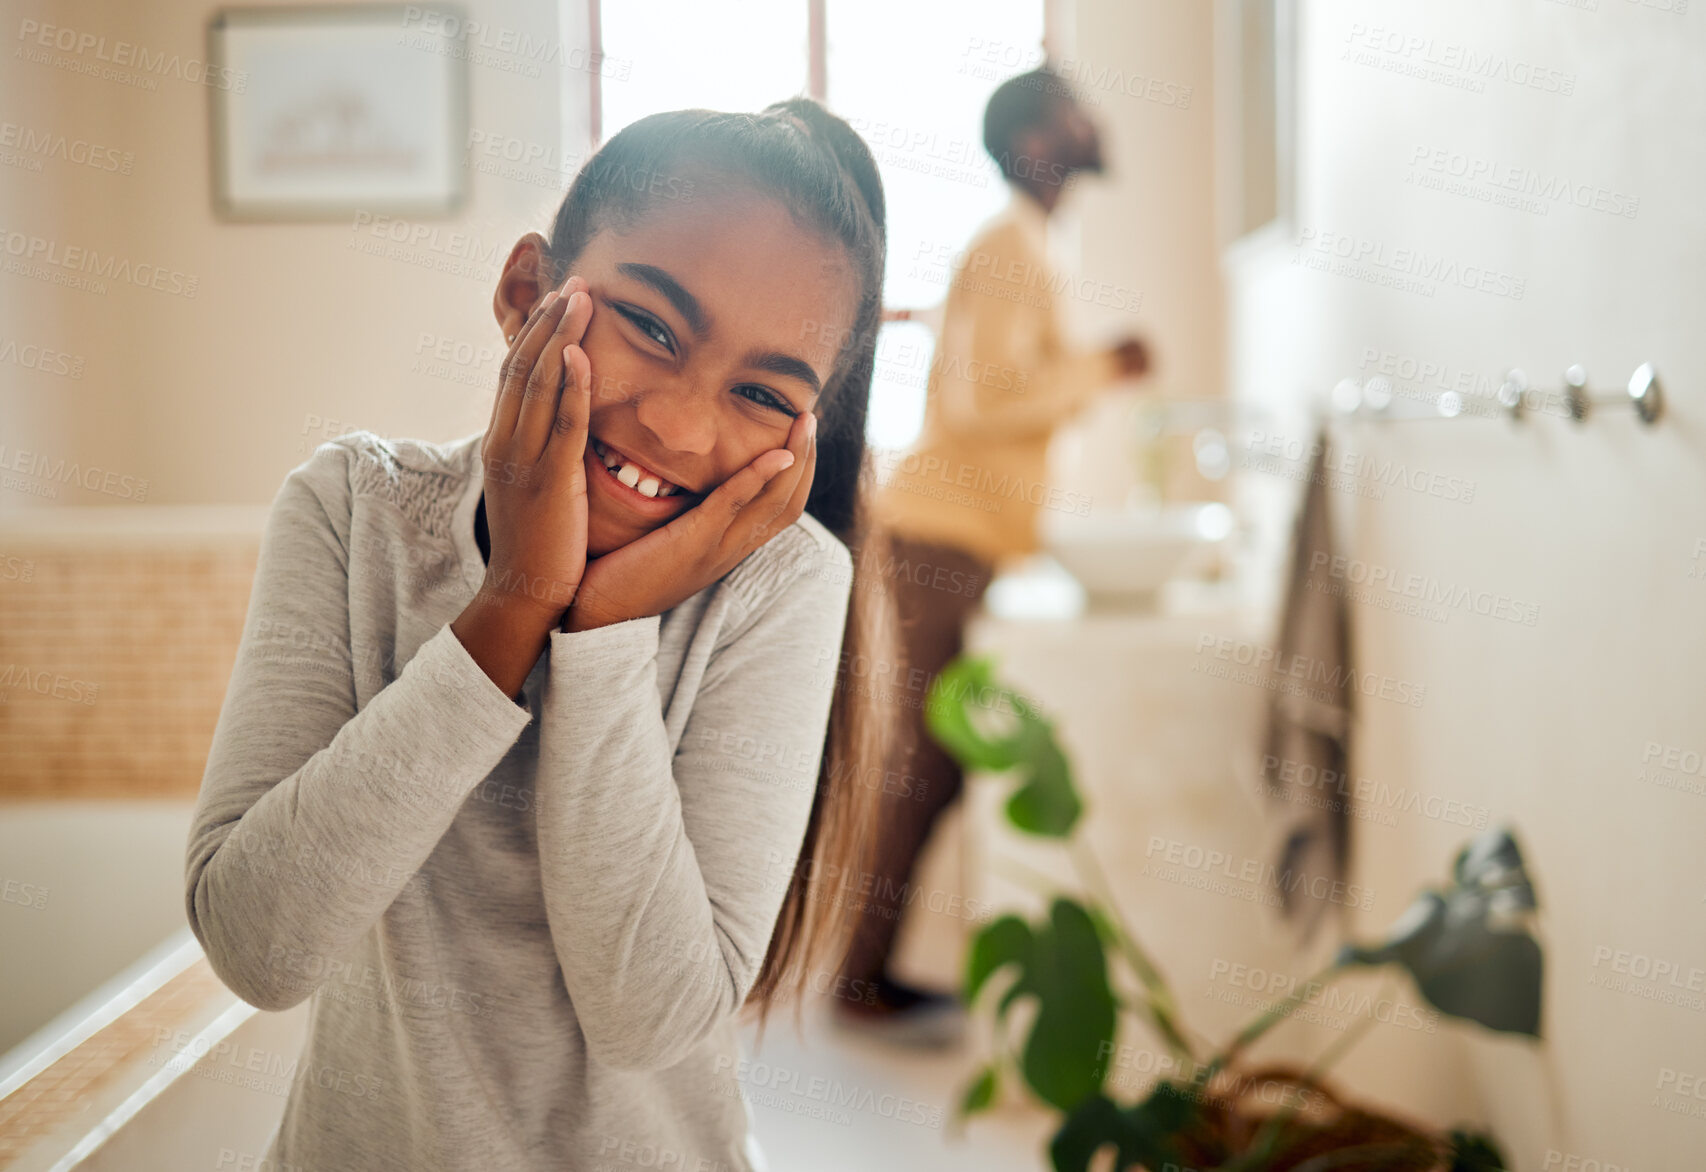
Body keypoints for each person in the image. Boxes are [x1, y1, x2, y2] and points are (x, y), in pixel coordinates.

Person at [184, 99, 897, 1172]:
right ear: (527, 292)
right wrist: (516, 598)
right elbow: (259, 945)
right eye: (651, 326)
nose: (680, 426)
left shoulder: (785, 585)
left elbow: (649, 1022)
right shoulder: (354, 508)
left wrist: (607, 626)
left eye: (759, 392)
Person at [833, 66, 1151, 1044]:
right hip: (940, 532)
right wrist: (1100, 366)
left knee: (928, 762)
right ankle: (856, 974)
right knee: (919, 762)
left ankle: (864, 969)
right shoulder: (1011, 243)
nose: (1094, 115)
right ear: (1039, 140)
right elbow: (979, 404)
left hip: (959, 534)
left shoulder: (1025, 240)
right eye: (1073, 106)